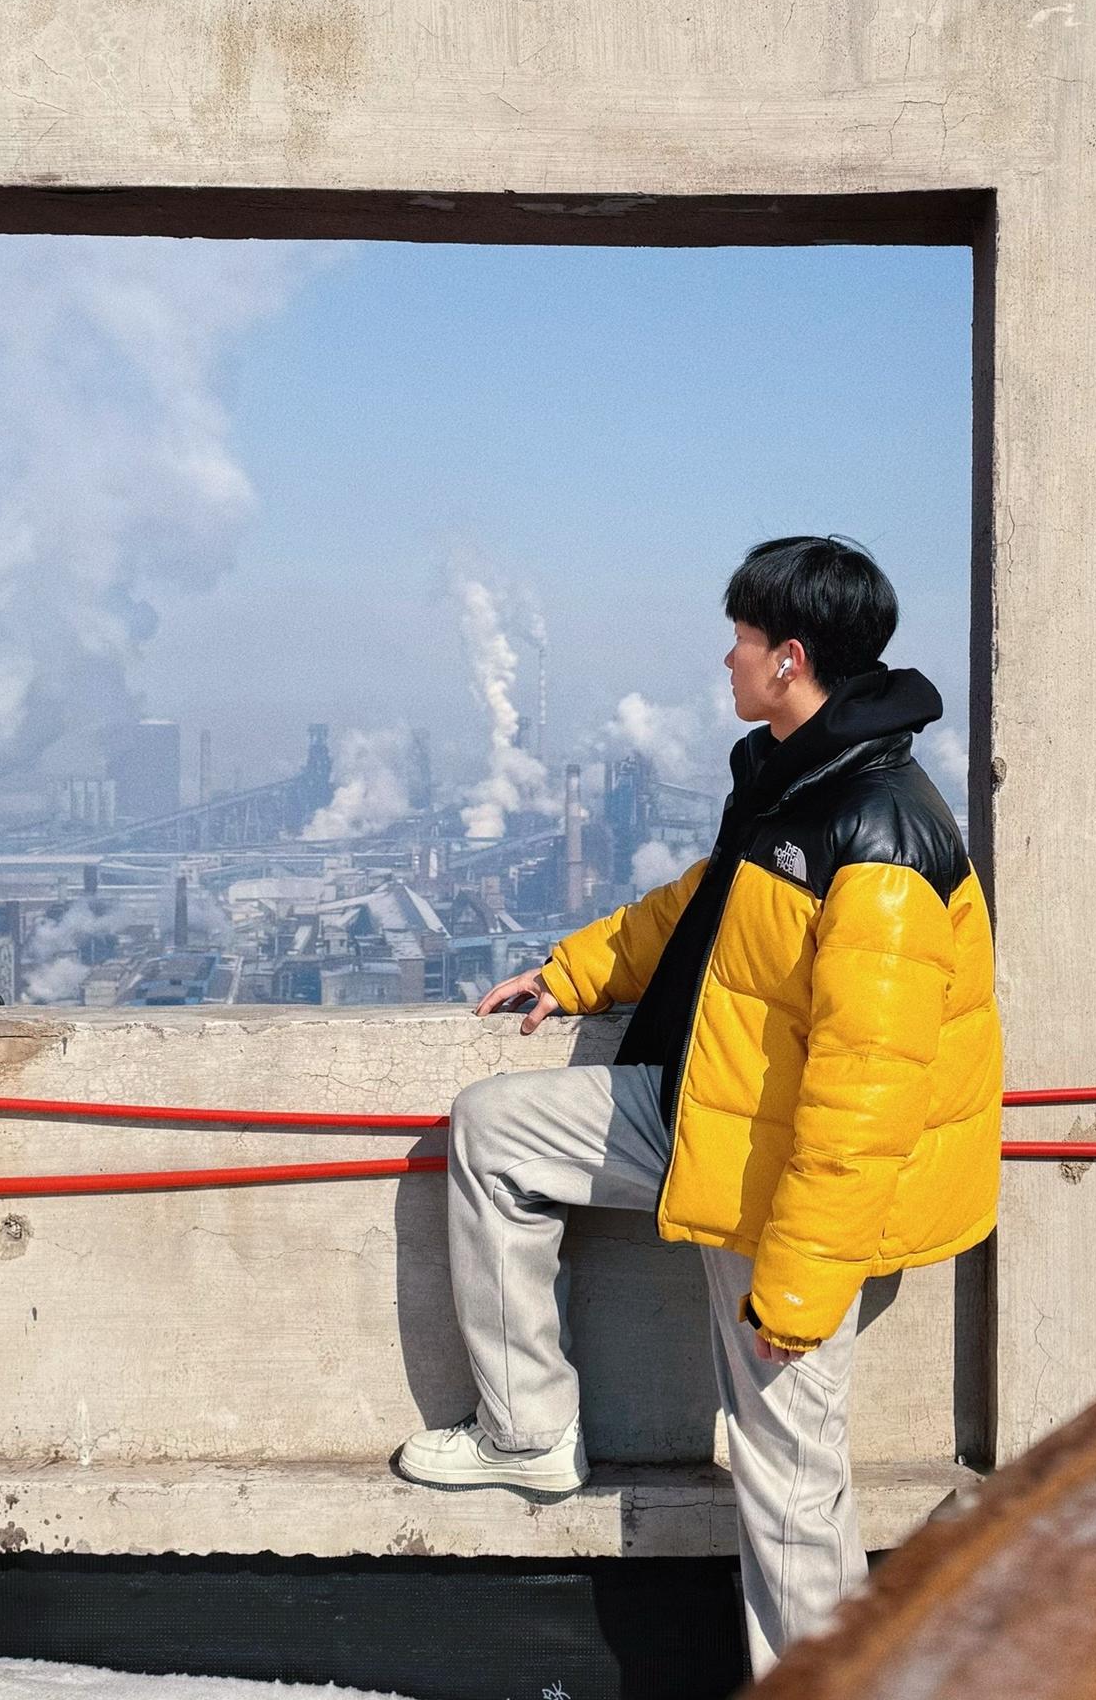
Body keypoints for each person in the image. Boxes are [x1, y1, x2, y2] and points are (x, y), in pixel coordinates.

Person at [397, 535, 1002, 1675]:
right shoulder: (789, 774)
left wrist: (802, 1282)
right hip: (704, 1116)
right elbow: (699, 904)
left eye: (735, 639)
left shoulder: (877, 833)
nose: (720, 659)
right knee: (493, 1129)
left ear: (786, 657)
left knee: (787, 1481)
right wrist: (575, 969)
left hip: (788, 1192)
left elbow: (865, 1090)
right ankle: (527, 1432)